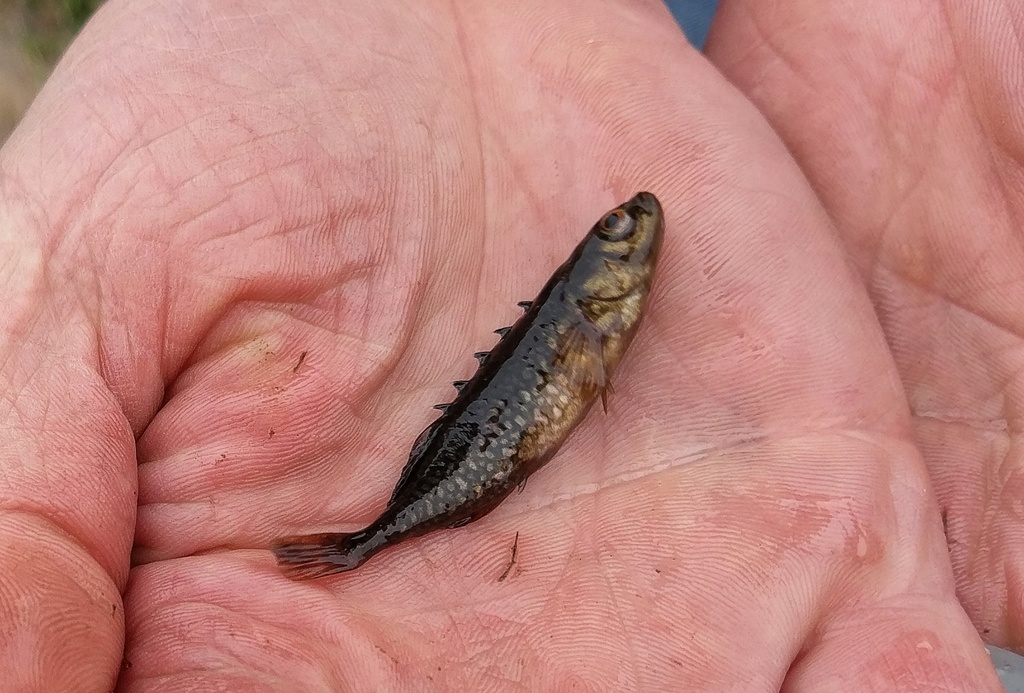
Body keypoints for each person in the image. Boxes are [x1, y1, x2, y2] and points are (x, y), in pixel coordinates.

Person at [0, 0, 1015, 690]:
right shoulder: (589, 309)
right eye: (621, 234)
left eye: (629, 236)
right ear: (598, 275)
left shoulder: (600, 307)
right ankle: (359, 544)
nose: (639, 233)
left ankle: (361, 543)